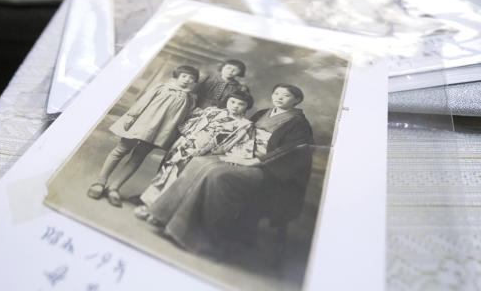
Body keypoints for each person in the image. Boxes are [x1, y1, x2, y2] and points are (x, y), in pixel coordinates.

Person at [144, 84, 315, 257]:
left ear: (297, 100)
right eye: (276, 93)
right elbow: (240, 134)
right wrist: (233, 154)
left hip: (268, 170)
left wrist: (254, 161)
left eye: (285, 95)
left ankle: (197, 236)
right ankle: (165, 217)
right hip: (241, 155)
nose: (278, 97)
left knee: (218, 175)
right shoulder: (263, 113)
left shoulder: (299, 124)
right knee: (198, 162)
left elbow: (292, 151)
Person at [88, 65, 199, 207]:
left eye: (191, 79)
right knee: (121, 150)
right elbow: (143, 102)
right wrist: (131, 116)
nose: (187, 80)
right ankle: (100, 182)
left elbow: (183, 118)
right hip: (142, 124)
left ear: (194, 83)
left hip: (161, 131)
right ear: (177, 76)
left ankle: (115, 187)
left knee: (138, 157)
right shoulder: (162, 88)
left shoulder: (190, 99)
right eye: (184, 76)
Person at [135, 90, 255, 215]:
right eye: (232, 101)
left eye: (241, 104)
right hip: (185, 148)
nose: (235, 106)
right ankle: (148, 204)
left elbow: (240, 147)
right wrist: (181, 144)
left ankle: (162, 212)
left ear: (247, 107)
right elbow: (190, 128)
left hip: (207, 156)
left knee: (183, 180)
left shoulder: (244, 125)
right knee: (167, 174)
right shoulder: (212, 111)